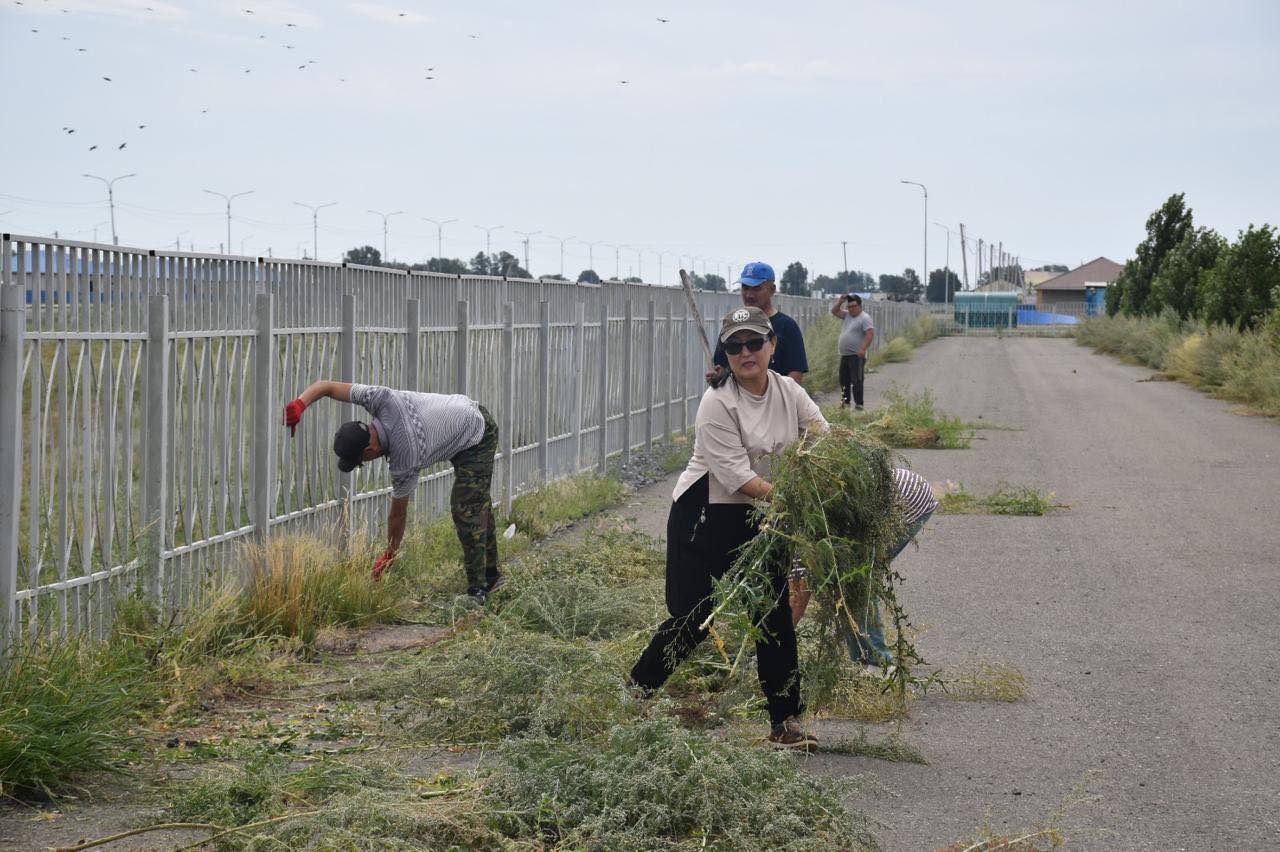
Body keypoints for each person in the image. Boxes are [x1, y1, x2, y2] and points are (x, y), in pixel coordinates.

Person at [630, 306, 827, 749]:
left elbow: (822, 437)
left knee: (773, 614)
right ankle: (637, 692)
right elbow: (739, 477)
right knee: (693, 614)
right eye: (734, 346)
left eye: (754, 343)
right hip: (706, 513)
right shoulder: (717, 402)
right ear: (726, 354)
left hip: (762, 516)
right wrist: (793, 498)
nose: (745, 352)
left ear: (772, 345)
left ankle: (785, 722)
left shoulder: (790, 392)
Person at [282, 381, 502, 604]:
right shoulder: (380, 399)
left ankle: (478, 591)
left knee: (467, 507)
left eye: (360, 462)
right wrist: (300, 404)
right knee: (476, 501)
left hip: (477, 433)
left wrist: (390, 553)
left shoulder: (405, 453)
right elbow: (327, 386)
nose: (364, 464)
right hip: (463, 413)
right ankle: (491, 574)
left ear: (370, 450)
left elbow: (398, 515)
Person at [790, 466, 937, 673]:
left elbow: (798, 597)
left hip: (909, 499)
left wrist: (777, 645)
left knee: (858, 580)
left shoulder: (799, 538)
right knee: (846, 582)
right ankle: (864, 660)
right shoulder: (794, 527)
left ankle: (880, 665)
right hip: (883, 496)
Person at [706, 262, 808, 387]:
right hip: (738, 402)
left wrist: (777, 398)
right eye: (745, 288)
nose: (749, 295)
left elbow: (795, 373)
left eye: (756, 289)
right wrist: (717, 377)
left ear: (772, 290)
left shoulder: (787, 326)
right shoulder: (733, 325)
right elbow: (721, 366)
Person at [831, 293, 875, 409]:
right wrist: (840, 302)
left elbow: (869, 334)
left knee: (857, 380)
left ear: (859, 306)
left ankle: (859, 404)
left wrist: (863, 349)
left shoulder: (865, 318)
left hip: (857, 355)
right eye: (849, 306)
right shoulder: (847, 315)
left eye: (853, 306)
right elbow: (834, 311)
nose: (851, 309)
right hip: (845, 354)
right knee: (843, 379)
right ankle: (845, 402)